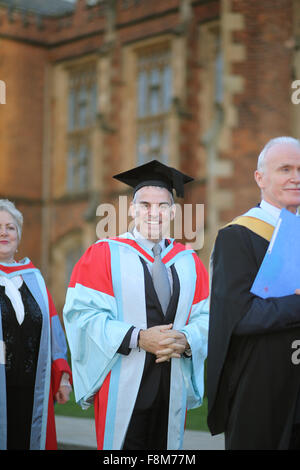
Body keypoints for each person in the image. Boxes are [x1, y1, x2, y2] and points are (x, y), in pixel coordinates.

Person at [63, 160, 209, 450]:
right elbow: (82, 314)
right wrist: (139, 338)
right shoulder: (104, 254)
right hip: (123, 381)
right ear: (131, 209)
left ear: (174, 211)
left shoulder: (189, 261)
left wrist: (186, 339)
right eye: (145, 205)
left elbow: (207, 315)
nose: (154, 213)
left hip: (172, 382)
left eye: (163, 206)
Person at [207, 136, 300, 450]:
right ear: (260, 178)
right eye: (285, 169)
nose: (296, 177)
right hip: (261, 385)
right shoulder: (237, 237)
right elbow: (239, 317)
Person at [0, 199, 72, 450]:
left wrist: (61, 377)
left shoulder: (35, 280)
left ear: (18, 234)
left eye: (10, 227)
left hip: (32, 387)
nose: (4, 232)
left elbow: (53, 332)